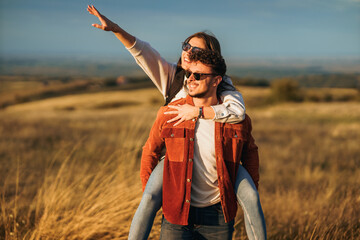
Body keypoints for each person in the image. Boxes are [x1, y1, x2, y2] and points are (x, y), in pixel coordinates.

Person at [87, 5, 266, 240]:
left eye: (196, 51)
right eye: (186, 46)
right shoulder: (174, 79)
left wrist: (199, 113)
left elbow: (238, 113)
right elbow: (143, 52)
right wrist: (116, 30)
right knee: (150, 196)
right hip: (176, 163)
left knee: (250, 196)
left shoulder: (225, 91)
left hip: (217, 180)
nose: (188, 52)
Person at [142, 49, 259, 239]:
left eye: (198, 75)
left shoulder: (237, 120)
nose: (190, 79)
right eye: (189, 74)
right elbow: (150, 152)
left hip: (218, 217)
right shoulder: (169, 113)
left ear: (216, 80)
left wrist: (245, 194)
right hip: (176, 215)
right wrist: (155, 195)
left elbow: (251, 157)